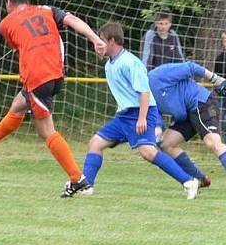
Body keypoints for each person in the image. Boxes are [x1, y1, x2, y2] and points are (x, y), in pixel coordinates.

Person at [0, 0, 106, 198]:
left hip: (38, 78)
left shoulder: (5, 23)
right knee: (18, 104)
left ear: (8, 3)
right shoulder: (46, 10)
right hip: (56, 73)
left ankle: (77, 179)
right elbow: (72, 20)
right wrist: (96, 39)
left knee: (47, 131)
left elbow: (16, 44)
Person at [81, 22, 201, 199]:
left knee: (148, 152)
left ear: (112, 41)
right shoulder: (110, 64)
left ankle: (189, 181)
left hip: (140, 113)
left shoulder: (130, 63)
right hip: (124, 116)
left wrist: (142, 118)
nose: (98, 43)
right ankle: (87, 185)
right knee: (96, 143)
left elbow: (144, 92)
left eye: (102, 40)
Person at [149, 61, 226, 195]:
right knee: (166, 143)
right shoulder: (141, 94)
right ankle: (200, 179)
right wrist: (157, 130)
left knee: (212, 143)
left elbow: (190, 67)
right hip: (185, 115)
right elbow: (154, 113)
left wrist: (215, 79)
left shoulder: (157, 75)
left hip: (201, 103)